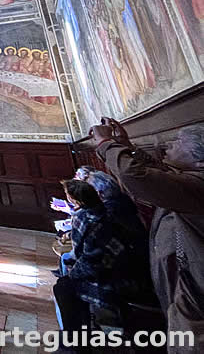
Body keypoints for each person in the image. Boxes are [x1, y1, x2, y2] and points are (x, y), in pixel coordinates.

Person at [91, 119, 204, 351]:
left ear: (199, 161)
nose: (169, 145)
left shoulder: (196, 186)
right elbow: (162, 171)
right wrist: (126, 145)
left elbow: (135, 176)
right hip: (184, 284)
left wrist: (105, 143)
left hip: (196, 293)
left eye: (178, 143)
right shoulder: (190, 177)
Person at [52, 179, 148, 340]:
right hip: (120, 269)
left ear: (75, 199)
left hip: (112, 277)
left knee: (63, 288)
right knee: (65, 278)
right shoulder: (104, 209)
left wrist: (73, 273)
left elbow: (91, 259)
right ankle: (79, 334)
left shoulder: (86, 218)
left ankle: (73, 341)